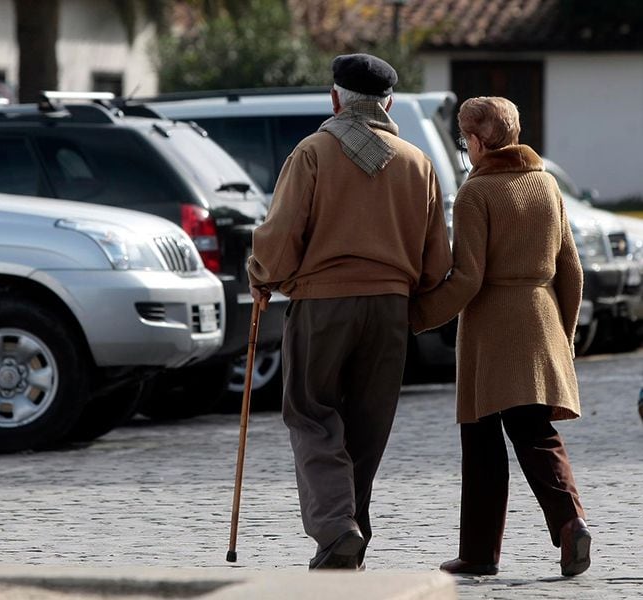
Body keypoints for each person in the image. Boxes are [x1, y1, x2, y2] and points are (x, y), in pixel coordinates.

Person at [248, 53, 452, 570]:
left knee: (313, 414)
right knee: (367, 424)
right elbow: (436, 259)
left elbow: (280, 235)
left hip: (323, 303)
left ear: (335, 97)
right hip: (390, 308)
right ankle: (347, 535)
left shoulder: (313, 151)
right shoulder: (417, 162)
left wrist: (262, 274)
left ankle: (338, 529)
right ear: (388, 103)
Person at [410, 96, 591, 577]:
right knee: (534, 429)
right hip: (542, 316)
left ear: (477, 141)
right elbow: (571, 269)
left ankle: (490, 548)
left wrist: (417, 318)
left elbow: (468, 278)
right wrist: (564, 334)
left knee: (485, 438)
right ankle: (557, 526)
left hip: (493, 327)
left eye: (464, 138)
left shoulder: (476, 193)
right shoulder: (546, 184)